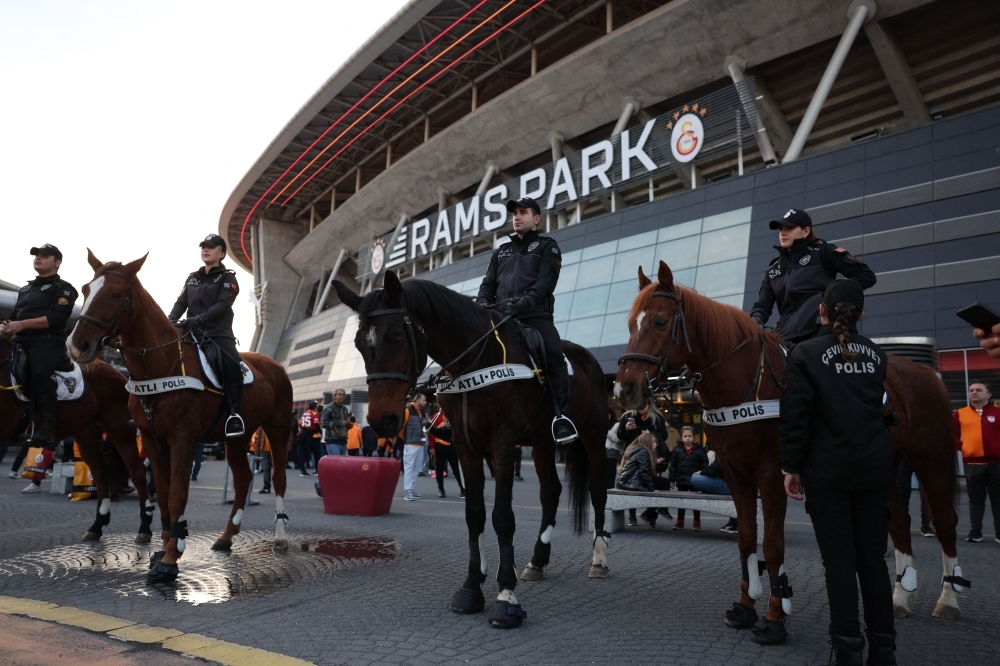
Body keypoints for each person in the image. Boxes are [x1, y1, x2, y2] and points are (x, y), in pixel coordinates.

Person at [780, 280, 895, 664]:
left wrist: (791, 467)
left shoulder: (805, 353)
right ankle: (884, 649)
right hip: (874, 471)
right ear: (861, 313)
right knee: (873, 561)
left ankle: (848, 649)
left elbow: (796, 418)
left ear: (821, 312)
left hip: (827, 473)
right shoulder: (876, 354)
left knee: (839, 564)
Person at [477, 197, 577, 444]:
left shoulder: (547, 246)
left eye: (523, 212)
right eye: (514, 214)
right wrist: (482, 303)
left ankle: (561, 419)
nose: (517, 217)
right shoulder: (501, 251)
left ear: (536, 219)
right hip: (500, 318)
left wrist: (525, 301)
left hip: (535, 317)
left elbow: (545, 283)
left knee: (554, 354)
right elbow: (487, 285)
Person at [749, 208, 876, 344]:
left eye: (789, 228)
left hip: (820, 333)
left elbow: (866, 275)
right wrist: (753, 324)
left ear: (806, 231)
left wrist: (834, 295)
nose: (783, 233)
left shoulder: (823, 252)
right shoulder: (773, 269)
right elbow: (762, 307)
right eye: (781, 229)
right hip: (785, 339)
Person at [0, 244, 78, 445]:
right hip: (20, 341)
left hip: (47, 342)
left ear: (57, 262)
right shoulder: (26, 289)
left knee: (39, 373)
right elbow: (14, 316)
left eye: (45, 256)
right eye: (37, 255)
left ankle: (47, 428)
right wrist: (4, 326)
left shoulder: (64, 289)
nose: (38, 258)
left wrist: (22, 324)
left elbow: (58, 318)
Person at [168, 234, 244, 437]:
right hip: (190, 332)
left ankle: (235, 415)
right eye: (203, 247)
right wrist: (170, 320)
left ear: (222, 253)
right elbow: (181, 303)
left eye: (210, 247)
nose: (205, 250)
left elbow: (223, 305)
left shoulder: (228, 278)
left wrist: (199, 319)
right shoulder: (192, 277)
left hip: (217, 334)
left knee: (231, 363)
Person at [953, 381, 1000, 544]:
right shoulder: (960, 414)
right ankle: (975, 532)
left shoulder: (997, 413)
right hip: (972, 464)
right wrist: (964, 447)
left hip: (996, 464)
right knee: (975, 500)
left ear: (988, 395)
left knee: (998, 500)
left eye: (979, 390)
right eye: (971, 390)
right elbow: (953, 435)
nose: (974, 392)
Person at [616, 400, 670, 526]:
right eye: (638, 405)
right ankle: (632, 516)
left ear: (649, 403)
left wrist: (651, 435)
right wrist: (625, 429)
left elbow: (664, 435)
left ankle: (651, 515)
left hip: (650, 452)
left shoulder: (657, 417)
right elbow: (620, 435)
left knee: (651, 478)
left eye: (643, 405)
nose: (641, 408)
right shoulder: (628, 416)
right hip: (631, 453)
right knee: (635, 479)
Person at [667, 426, 709, 531]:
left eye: (690, 436)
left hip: (696, 480)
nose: (687, 438)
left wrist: (703, 476)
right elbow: (672, 466)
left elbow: (705, 465)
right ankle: (680, 522)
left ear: (693, 437)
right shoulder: (677, 450)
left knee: (696, 503)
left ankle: (697, 522)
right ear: (681, 438)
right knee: (681, 502)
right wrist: (672, 479)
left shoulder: (699, 450)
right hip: (681, 480)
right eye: (685, 436)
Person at [690, 456, 738, 533]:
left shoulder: (724, 449)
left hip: (730, 485)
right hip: (738, 484)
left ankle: (735, 522)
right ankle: (734, 522)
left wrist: (702, 472)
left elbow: (716, 468)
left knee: (694, 478)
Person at [427, 408, 464, 498]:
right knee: (439, 468)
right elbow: (431, 431)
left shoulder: (454, 414)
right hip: (439, 446)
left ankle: (463, 488)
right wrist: (432, 446)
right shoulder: (437, 416)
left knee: (456, 468)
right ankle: (441, 489)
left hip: (452, 445)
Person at [895, 456, 932, 537]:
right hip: (904, 455)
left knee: (926, 490)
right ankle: (902, 522)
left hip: (921, 456)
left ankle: (925, 524)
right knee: (902, 488)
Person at [401, 393, 428, 500]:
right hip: (411, 443)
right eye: (424, 400)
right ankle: (407, 491)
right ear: (418, 400)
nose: (425, 402)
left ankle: (411, 489)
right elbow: (401, 427)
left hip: (420, 443)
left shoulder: (421, 412)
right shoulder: (408, 410)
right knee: (409, 467)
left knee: (416, 468)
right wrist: (406, 438)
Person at [321, 388, 351, 456]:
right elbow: (323, 423)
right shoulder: (328, 408)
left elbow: (344, 422)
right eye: (339, 394)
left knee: (344, 462)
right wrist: (339, 423)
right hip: (332, 441)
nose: (341, 396)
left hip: (343, 441)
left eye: (343, 395)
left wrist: (348, 424)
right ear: (334, 396)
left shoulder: (345, 409)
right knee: (336, 462)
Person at [296, 401, 321, 476]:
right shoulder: (314, 414)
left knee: (303, 452)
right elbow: (316, 424)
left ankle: (302, 470)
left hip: (304, 433)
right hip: (312, 434)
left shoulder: (304, 414)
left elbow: (300, 424)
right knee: (316, 453)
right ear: (315, 407)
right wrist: (320, 432)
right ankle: (316, 470)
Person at [252, 428, 272, 494]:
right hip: (264, 448)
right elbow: (259, 436)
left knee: (278, 469)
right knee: (265, 468)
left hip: (276, 449)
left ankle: (279, 487)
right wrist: (257, 447)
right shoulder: (263, 425)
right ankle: (266, 486)